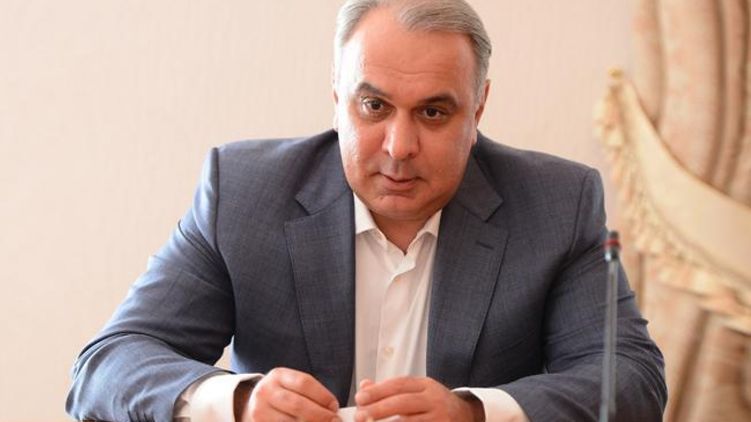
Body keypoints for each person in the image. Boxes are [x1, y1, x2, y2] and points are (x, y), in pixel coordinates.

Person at [66, 0, 667, 421]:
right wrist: (239, 404)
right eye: (374, 106)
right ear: (337, 96)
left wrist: (474, 413)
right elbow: (107, 365)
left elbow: (631, 380)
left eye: (433, 112)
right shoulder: (244, 193)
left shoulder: (558, 203)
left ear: (478, 108)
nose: (399, 147)